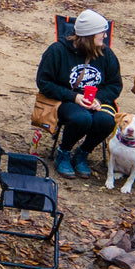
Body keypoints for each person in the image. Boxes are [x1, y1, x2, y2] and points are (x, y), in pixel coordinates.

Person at [36, 9, 122, 178]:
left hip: (97, 100)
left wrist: (99, 98)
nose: (105, 36)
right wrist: (74, 97)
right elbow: (44, 83)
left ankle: (82, 153)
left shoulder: (106, 54)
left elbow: (115, 84)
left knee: (106, 120)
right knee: (82, 118)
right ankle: (64, 152)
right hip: (66, 99)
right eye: (101, 32)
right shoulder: (57, 51)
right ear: (89, 35)